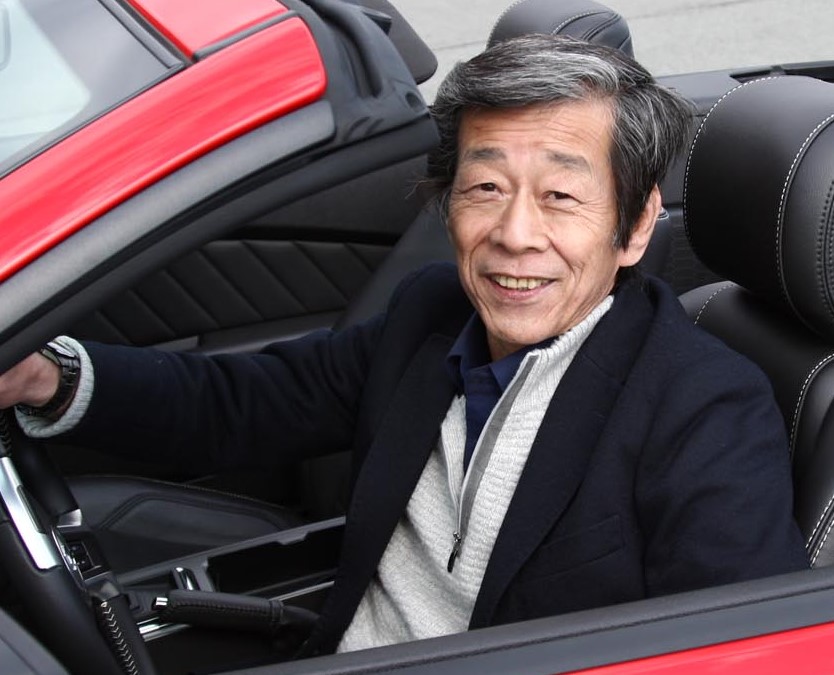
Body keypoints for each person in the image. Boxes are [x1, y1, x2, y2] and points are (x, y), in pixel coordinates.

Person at [0, 35, 808, 655]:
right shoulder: (431, 313)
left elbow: (743, 651)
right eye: (485, 187)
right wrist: (47, 377)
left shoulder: (706, 409)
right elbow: (241, 403)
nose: (514, 234)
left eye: (561, 196)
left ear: (634, 228)